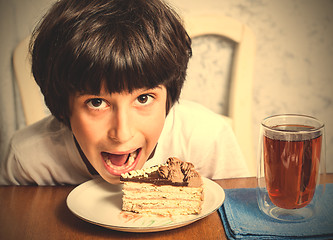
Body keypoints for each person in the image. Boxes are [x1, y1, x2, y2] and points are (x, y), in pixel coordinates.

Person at [0, 0, 249, 185]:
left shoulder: (207, 139)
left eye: (143, 98)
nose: (122, 133)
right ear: (63, 107)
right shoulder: (28, 161)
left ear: (168, 99)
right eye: (97, 102)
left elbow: (239, 219)